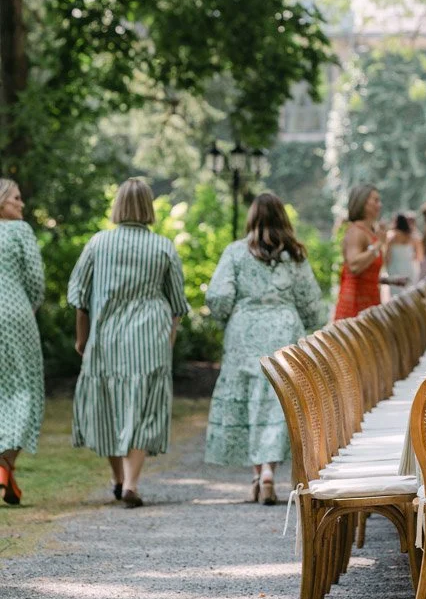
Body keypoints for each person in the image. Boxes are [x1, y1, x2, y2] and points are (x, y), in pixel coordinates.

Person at [69, 178, 189, 508]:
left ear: (118, 206)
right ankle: (132, 482)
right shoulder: (163, 246)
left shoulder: (97, 244)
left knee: (108, 406)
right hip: (150, 339)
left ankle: (119, 480)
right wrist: (169, 340)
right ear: (149, 208)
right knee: (143, 408)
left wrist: (82, 340)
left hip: (106, 337)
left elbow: (79, 298)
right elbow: (178, 305)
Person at [204, 193, 326, 503]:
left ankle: (258, 473)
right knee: (277, 401)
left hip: (245, 334)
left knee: (249, 399)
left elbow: (218, 298)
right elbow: (312, 305)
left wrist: (229, 317)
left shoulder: (235, 253)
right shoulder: (295, 257)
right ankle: (271, 470)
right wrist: (308, 320)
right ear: (283, 219)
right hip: (284, 331)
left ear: (251, 219)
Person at [0, 180, 45, 506]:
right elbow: (35, 280)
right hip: (15, 315)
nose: (22, 204)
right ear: (2, 202)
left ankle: (6, 474)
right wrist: (32, 305)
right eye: (16, 198)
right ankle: (4, 466)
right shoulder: (20, 232)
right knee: (24, 388)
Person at [334, 184, 385, 321]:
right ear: (362, 202)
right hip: (355, 304)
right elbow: (354, 266)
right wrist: (378, 244)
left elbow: (366, 271)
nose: (379, 205)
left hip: (370, 301)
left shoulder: (369, 232)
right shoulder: (356, 231)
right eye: (375, 200)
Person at [384, 210, 421, 284]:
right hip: (410, 268)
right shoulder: (413, 237)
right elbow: (419, 256)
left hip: (394, 269)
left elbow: (387, 257)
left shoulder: (390, 237)